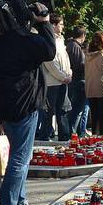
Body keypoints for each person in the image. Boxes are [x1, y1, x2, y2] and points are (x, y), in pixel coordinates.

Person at [0, 0, 56, 205]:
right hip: (23, 104)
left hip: (4, 103)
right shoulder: (18, 40)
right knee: (20, 157)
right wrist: (43, 22)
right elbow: (48, 50)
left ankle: (19, 202)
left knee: (20, 155)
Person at [37, 13, 73, 142]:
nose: (63, 27)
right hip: (52, 82)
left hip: (63, 81)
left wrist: (69, 73)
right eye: (61, 24)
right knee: (48, 111)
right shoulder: (47, 39)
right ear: (53, 25)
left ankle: (65, 135)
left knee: (63, 109)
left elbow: (66, 58)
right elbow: (50, 62)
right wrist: (62, 76)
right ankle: (44, 135)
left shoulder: (60, 40)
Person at [65, 25, 89, 138]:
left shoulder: (70, 45)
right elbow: (80, 65)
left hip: (73, 81)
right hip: (78, 81)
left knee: (75, 109)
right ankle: (72, 132)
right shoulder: (75, 47)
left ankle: (75, 131)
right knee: (77, 110)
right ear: (83, 36)